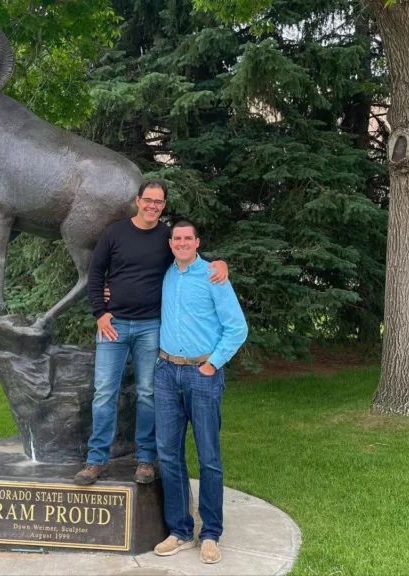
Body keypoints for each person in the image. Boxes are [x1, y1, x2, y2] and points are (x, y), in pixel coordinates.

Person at [74, 181, 228, 486]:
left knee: (148, 393)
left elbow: (192, 257)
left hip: (151, 327)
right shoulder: (115, 233)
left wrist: (221, 263)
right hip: (113, 325)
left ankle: (145, 458)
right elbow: (95, 274)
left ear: (164, 205)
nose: (152, 206)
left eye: (158, 202)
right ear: (138, 201)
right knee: (105, 392)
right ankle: (96, 459)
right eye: (148, 200)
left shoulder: (166, 238)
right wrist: (100, 312)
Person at [151, 220, 248, 565]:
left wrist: (212, 364)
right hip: (165, 372)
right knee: (168, 453)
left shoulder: (213, 275)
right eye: (176, 238)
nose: (181, 243)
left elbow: (237, 328)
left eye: (187, 238)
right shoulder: (166, 274)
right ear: (171, 243)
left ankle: (210, 533)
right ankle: (180, 530)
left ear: (197, 242)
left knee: (208, 456)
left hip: (202, 373)